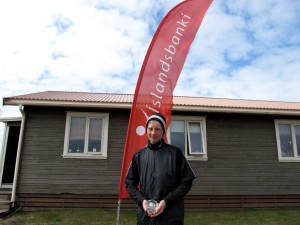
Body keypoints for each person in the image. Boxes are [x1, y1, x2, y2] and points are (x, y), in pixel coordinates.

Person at [125, 112, 196, 225]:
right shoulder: (138, 155)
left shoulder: (175, 153)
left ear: (163, 131)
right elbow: (129, 184)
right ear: (146, 130)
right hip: (146, 218)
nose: (153, 133)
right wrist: (142, 201)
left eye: (157, 129)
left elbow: (186, 182)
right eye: (150, 129)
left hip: (171, 216)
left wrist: (166, 201)